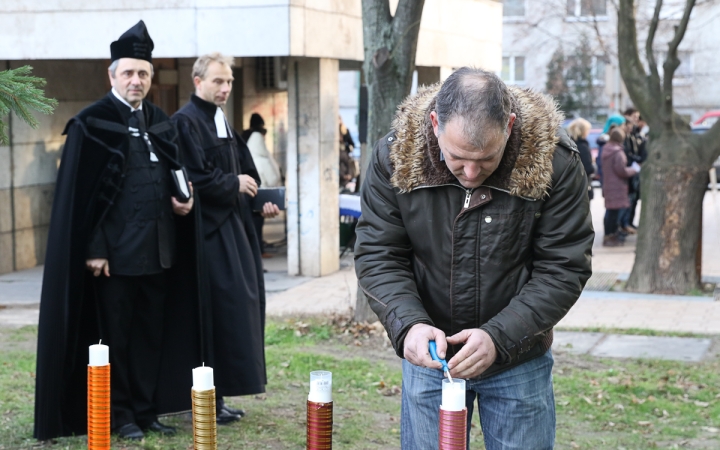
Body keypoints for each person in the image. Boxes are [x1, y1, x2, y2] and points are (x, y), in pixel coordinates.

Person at [354, 67, 593, 449]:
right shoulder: (395, 157)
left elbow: (564, 267)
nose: (470, 173)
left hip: (518, 357)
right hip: (431, 354)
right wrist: (409, 325)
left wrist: (500, 337)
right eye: (458, 158)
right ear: (434, 123)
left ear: (510, 125)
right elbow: (379, 254)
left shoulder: (555, 161)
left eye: (486, 159)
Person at [33, 21, 197, 441]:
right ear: (112, 75)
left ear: (151, 77)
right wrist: (95, 248)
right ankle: (120, 413)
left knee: (150, 338)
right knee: (116, 341)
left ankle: (146, 411)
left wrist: (185, 201)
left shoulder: (160, 121)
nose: (136, 80)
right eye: (128, 73)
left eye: (143, 73)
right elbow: (81, 201)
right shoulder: (92, 124)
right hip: (116, 259)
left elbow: (175, 177)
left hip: (160, 254)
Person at [172, 52, 280, 424]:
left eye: (229, 81)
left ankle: (218, 397)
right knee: (214, 315)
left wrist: (261, 202)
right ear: (197, 81)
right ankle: (206, 400)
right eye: (218, 81)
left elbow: (247, 173)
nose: (225, 88)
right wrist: (233, 185)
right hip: (209, 237)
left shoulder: (223, 122)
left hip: (236, 232)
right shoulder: (184, 123)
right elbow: (193, 178)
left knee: (235, 316)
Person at [241, 113, 283, 257]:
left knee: (252, 227)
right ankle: (258, 252)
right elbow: (270, 176)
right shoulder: (259, 156)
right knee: (256, 226)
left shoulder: (246, 144)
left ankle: (257, 252)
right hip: (259, 193)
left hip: (248, 193)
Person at [601, 127, 639, 247]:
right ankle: (612, 236)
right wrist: (634, 169)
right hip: (618, 186)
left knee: (610, 212)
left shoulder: (605, 150)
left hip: (608, 184)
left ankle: (608, 236)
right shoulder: (617, 153)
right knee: (615, 213)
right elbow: (621, 171)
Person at [568, 118, 595, 200]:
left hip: (570, 186)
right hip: (582, 187)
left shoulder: (569, 144)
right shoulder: (583, 146)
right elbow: (588, 168)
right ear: (584, 131)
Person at [596, 114, 626, 186]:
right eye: (622, 125)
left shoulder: (605, 139)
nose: (624, 127)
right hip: (610, 177)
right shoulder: (605, 140)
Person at [339, 116, 358, 191]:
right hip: (337, 153)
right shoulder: (333, 130)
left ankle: (347, 179)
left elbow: (351, 143)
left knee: (347, 165)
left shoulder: (345, 130)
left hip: (344, 151)